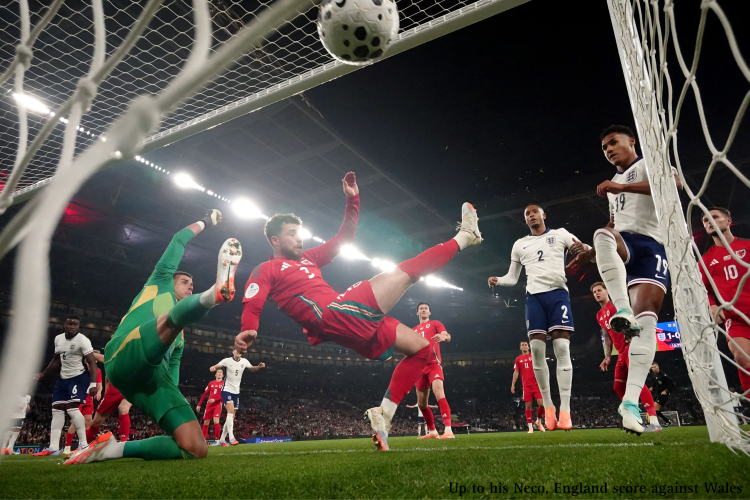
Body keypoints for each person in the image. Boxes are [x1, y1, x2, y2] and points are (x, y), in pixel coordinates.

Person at [236, 172, 482, 451]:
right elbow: (253, 299)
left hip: (347, 325)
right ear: (275, 240)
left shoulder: (309, 258)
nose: (299, 238)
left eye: (299, 232)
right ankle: (466, 236)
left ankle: (384, 417)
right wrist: (249, 327)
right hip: (337, 314)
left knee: (422, 349)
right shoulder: (266, 269)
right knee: (406, 272)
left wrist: (353, 200)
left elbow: (344, 238)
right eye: (291, 233)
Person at [65, 209, 241, 464]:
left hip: (147, 383)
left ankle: (110, 450)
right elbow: (179, 239)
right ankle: (214, 294)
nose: (190, 284)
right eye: (185, 281)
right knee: (172, 319)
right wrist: (206, 221)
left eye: (192, 284)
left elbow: (172, 377)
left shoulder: (179, 337)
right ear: (171, 280)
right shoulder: (159, 282)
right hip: (123, 353)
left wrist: (170, 405)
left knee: (195, 448)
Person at [570, 125, 682, 434]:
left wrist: (621, 188)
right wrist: (589, 255)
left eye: (613, 143)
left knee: (646, 325)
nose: (608, 149)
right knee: (601, 233)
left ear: (631, 141)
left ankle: (630, 404)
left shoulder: (648, 164)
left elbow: (674, 184)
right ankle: (621, 310)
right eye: (604, 147)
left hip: (652, 247)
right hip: (626, 244)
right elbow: (614, 223)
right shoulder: (613, 184)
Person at [488, 204, 591, 431]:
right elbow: (513, 277)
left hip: (558, 295)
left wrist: (584, 248)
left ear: (543, 215)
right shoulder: (519, 244)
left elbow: (588, 251)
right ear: (525, 220)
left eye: (534, 212)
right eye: (527, 214)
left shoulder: (561, 234)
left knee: (562, 348)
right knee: (536, 351)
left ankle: (565, 410)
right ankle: (549, 407)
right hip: (534, 298)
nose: (531, 215)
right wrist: (499, 280)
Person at [592, 282, 661, 432]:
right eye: (594, 292)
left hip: (631, 348)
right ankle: (632, 415)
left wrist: (632, 336)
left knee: (637, 383)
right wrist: (608, 356)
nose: (596, 293)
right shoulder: (599, 315)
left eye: (599, 290)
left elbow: (631, 320)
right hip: (620, 353)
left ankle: (654, 421)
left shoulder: (616, 306)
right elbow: (606, 336)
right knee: (618, 386)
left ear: (607, 291)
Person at [699, 207, 750, 393]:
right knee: (743, 359)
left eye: (714, 217)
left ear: (729, 221)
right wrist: (711, 305)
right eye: (705, 220)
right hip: (735, 317)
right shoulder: (705, 260)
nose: (709, 221)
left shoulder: (747, 246)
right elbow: (701, 289)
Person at [33, 314, 98, 456]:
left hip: (79, 377)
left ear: (78, 326)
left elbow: (92, 362)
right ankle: (53, 448)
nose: (72, 326)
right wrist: (43, 374)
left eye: (75, 324)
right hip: (63, 378)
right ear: (65, 324)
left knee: (72, 409)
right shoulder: (58, 339)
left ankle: (83, 444)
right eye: (69, 324)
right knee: (56, 410)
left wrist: (93, 383)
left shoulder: (82, 340)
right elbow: (56, 360)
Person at [410, 302, 455, 439]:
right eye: (421, 309)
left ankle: (448, 430)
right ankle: (433, 432)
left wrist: (444, 337)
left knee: (439, 392)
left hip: (433, 364)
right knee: (421, 403)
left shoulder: (435, 323)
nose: (424, 310)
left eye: (426, 308)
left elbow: (447, 335)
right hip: (419, 367)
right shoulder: (413, 330)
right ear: (417, 312)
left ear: (429, 312)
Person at [209, 350, 265, 445]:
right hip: (227, 390)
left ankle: (222, 439)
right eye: (237, 350)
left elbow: (252, 369)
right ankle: (231, 438)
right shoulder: (227, 360)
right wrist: (213, 367)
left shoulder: (244, 361)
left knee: (231, 416)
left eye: (240, 351)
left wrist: (258, 367)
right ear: (233, 351)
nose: (239, 352)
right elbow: (218, 365)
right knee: (230, 412)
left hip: (236, 392)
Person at [85, 349, 132, 443]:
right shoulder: (111, 360)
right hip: (112, 391)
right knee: (96, 422)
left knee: (123, 408)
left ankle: (123, 442)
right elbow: (107, 378)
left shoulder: (132, 358)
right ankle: (87, 445)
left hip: (127, 389)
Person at [64, 360, 102, 455]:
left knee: (88, 421)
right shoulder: (80, 368)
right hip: (79, 396)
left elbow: (99, 384)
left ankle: (85, 445)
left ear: (96, 361)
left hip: (89, 398)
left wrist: (99, 392)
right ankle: (67, 447)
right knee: (75, 422)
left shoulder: (97, 371)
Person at [511, 341, 546, 433]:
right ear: (520, 348)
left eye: (525, 345)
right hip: (526, 386)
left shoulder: (533, 356)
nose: (524, 346)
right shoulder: (518, 359)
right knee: (528, 406)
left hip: (537, 384)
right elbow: (516, 372)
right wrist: (513, 384)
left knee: (541, 405)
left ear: (528, 347)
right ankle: (530, 427)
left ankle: (538, 421)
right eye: (522, 345)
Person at [196, 368, 225, 443]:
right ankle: (203, 441)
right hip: (209, 404)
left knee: (216, 421)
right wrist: (199, 404)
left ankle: (217, 440)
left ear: (223, 375)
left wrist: (215, 400)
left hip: (218, 404)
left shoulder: (224, 384)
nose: (219, 373)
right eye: (218, 372)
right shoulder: (211, 383)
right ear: (215, 374)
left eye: (221, 372)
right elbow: (205, 394)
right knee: (206, 422)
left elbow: (224, 396)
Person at [647, 362, 674, 426]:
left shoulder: (663, 375)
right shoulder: (654, 375)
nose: (653, 368)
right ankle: (667, 421)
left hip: (663, 394)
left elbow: (672, 384)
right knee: (655, 410)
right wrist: (652, 387)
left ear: (658, 367)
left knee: (653, 409)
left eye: (654, 367)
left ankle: (650, 423)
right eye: (652, 367)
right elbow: (655, 383)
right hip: (658, 394)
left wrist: (666, 390)